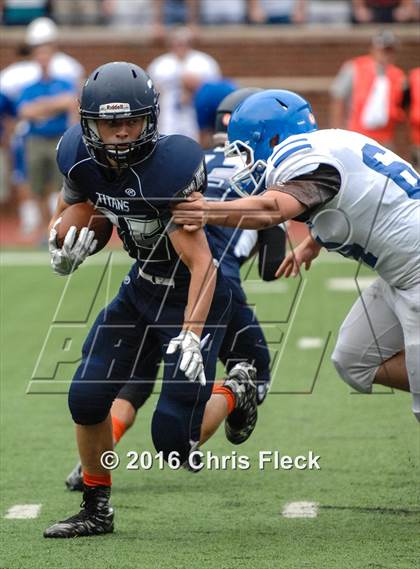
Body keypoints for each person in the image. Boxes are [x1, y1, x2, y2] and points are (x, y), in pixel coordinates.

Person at [43, 62, 258, 538]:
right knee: (86, 398)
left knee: (175, 444)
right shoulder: (77, 155)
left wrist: (191, 334)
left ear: (151, 119)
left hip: (190, 295)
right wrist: (59, 250)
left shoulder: (171, 169)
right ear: (88, 123)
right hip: (142, 285)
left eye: (131, 121)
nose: (120, 134)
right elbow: (72, 210)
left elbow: (203, 265)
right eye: (109, 123)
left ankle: (236, 388)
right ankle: (97, 508)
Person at [65, 87, 285, 493]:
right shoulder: (264, 180)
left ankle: (101, 453)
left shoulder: (181, 160)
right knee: (254, 371)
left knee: (133, 381)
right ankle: (237, 388)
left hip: (178, 276)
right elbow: (271, 269)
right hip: (213, 286)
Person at [172, 89, 420, 423]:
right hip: (400, 272)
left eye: (245, 153)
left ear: (271, 137)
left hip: (415, 275)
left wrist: (207, 211)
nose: (245, 164)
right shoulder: (329, 143)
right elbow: (358, 196)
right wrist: (313, 242)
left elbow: (272, 209)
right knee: (353, 358)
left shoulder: (298, 156)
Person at [330, 30, 405, 149]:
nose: (386, 55)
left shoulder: (398, 75)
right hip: (357, 134)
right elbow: (338, 97)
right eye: (383, 50)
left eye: (390, 51)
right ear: (373, 49)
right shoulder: (354, 67)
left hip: (384, 138)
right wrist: (337, 131)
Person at [147, 26, 221, 141]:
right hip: (169, 110)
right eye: (176, 42)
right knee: (167, 140)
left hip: (196, 109)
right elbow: (151, 91)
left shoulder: (204, 62)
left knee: (195, 141)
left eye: (183, 42)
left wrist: (193, 88)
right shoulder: (159, 64)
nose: (180, 46)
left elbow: (214, 91)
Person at [351, 0, 416, 23]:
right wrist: (360, 8)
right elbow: (358, 6)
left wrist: (406, 9)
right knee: (354, 17)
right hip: (372, 9)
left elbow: (408, 6)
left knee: (412, 18)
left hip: (394, 10)